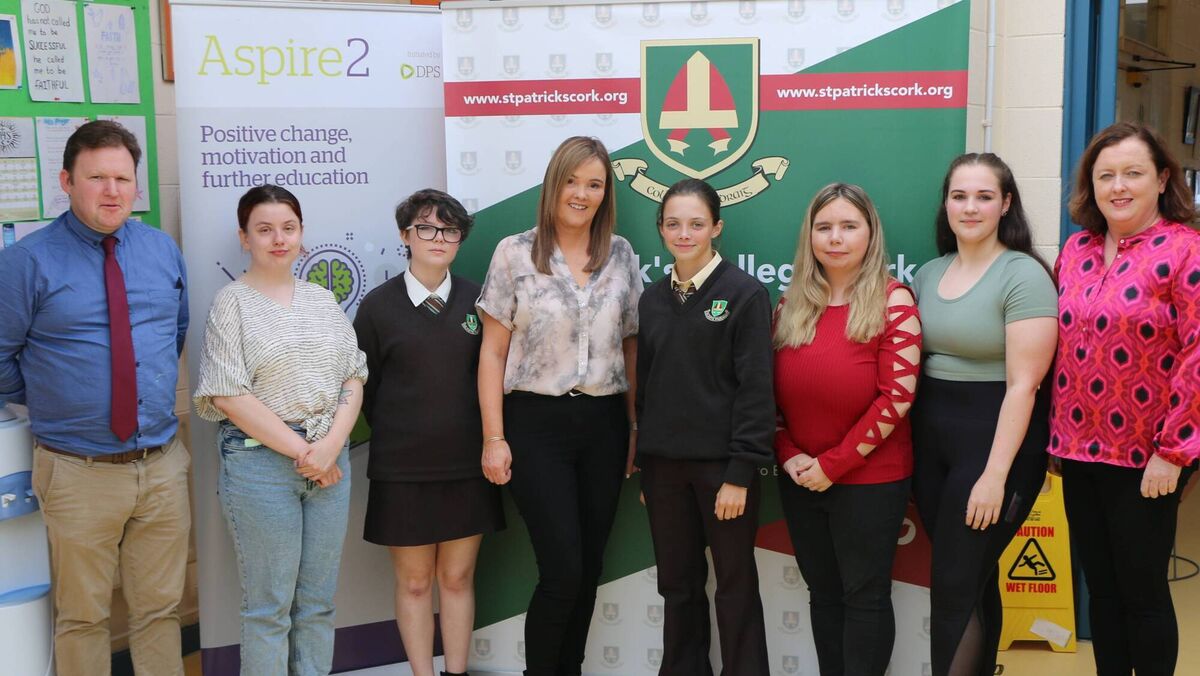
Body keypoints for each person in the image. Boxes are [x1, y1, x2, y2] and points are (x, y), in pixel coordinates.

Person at [0, 120, 190, 676]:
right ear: (66, 181)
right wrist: (58, 395)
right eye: (97, 178)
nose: (112, 191)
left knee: (160, 611)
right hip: (77, 471)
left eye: (123, 179)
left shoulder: (161, 249)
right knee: (83, 617)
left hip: (161, 465)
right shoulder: (26, 262)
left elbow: (173, 334)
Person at [476, 136, 642, 676]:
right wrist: (494, 437)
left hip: (604, 425)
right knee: (563, 571)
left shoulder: (621, 254)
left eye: (594, 184)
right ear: (553, 183)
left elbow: (631, 345)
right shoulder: (514, 252)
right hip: (535, 425)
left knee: (588, 569)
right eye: (572, 181)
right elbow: (492, 352)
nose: (581, 193)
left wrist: (634, 428)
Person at [193, 185, 367, 675]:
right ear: (244, 237)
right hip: (261, 468)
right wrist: (307, 453)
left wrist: (330, 446)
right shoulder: (232, 303)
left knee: (317, 604)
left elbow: (353, 376)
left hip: (329, 462)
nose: (278, 239)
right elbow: (228, 395)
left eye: (288, 228)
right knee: (269, 610)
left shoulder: (321, 300)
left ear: (301, 234)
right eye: (265, 229)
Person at [1053, 121, 1199, 676]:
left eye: (1133, 173)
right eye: (1105, 175)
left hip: (1148, 457)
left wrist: (1174, 452)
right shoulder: (1077, 249)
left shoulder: (1187, 251)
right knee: (1102, 590)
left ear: (1161, 179)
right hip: (1077, 451)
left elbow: (1198, 355)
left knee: (1143, 593)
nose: (1118, 186)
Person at [910, 153, 1057, 676]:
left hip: (996, 447)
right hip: (933, 445)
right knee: (972, 578)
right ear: (946, 203)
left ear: (1006, 203)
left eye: (984, 196)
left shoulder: (1023, 275)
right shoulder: (928, 274)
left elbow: (1024, 385)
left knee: (952, 586)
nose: (970, 207)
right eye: (959, 196)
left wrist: (994, 477)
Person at [354, 189, 504, 676]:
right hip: (402, 469)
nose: (438, 238)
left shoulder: (479, 300)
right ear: (405, 235)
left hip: (467, 465)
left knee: (457, 578)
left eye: (449, 230)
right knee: (416, 582)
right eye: (426, 228)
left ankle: (456, 672)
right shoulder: (377, 308)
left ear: (460, 239)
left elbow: (493, 376)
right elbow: (366, 390)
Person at [773, 183, 921, 676]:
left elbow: (896, 398)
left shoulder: (894, 301)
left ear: (870, 233)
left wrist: (832, 466)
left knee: (865, 596)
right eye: (824, 227)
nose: (835, 238)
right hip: (801, 478)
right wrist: (789, 454)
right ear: (809, 236)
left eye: (848, 226)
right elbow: (765, 396)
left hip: (870, 480)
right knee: (823, 594)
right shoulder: (790, 304)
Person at [635, 179, 774, 676]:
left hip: (724, 471)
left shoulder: (745, 294)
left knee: (735, 585)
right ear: (661, 229)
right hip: (664, 471)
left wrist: (740, 473)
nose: (684, 233)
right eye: (673, 223)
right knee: (678, 585)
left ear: (717, 227)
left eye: (696, 223)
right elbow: (647, 388)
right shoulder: (651, 299)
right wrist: (647, 466)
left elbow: (756, 390)